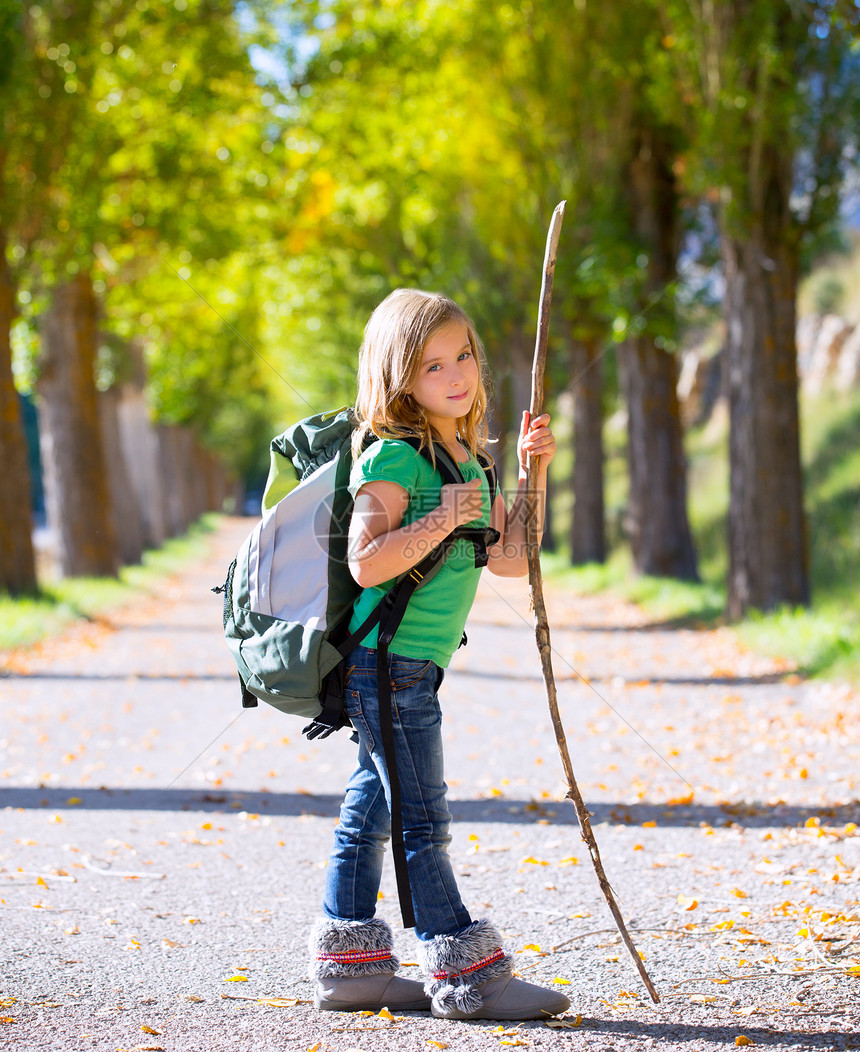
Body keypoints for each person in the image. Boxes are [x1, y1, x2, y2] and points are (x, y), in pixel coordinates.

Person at [309, 288, 568, 1021]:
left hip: (414, 667)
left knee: (372, 808)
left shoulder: (468, 458)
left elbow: (515, 558)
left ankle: (350, 968)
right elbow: (365, 561)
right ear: (399, 379)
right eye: (433, 366)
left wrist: (528, 471)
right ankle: (469, 976)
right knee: (423, 821)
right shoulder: (396, 456)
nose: (457, 375)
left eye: (464, 356)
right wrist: (440, 517)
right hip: (383, 665)